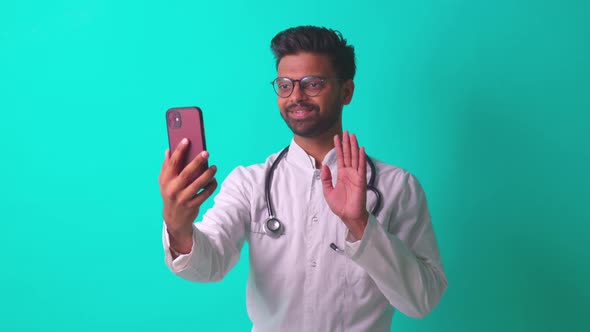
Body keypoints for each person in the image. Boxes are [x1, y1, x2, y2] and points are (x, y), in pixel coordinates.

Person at [159, 25, 447, 332]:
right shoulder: (250, 184)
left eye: (313, 84)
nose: (296, 96)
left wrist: (362, 226)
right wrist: (178, 226)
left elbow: (423, 301)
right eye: (285, 85)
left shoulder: (397, 186)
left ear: (346, 91)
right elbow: (208, 265)